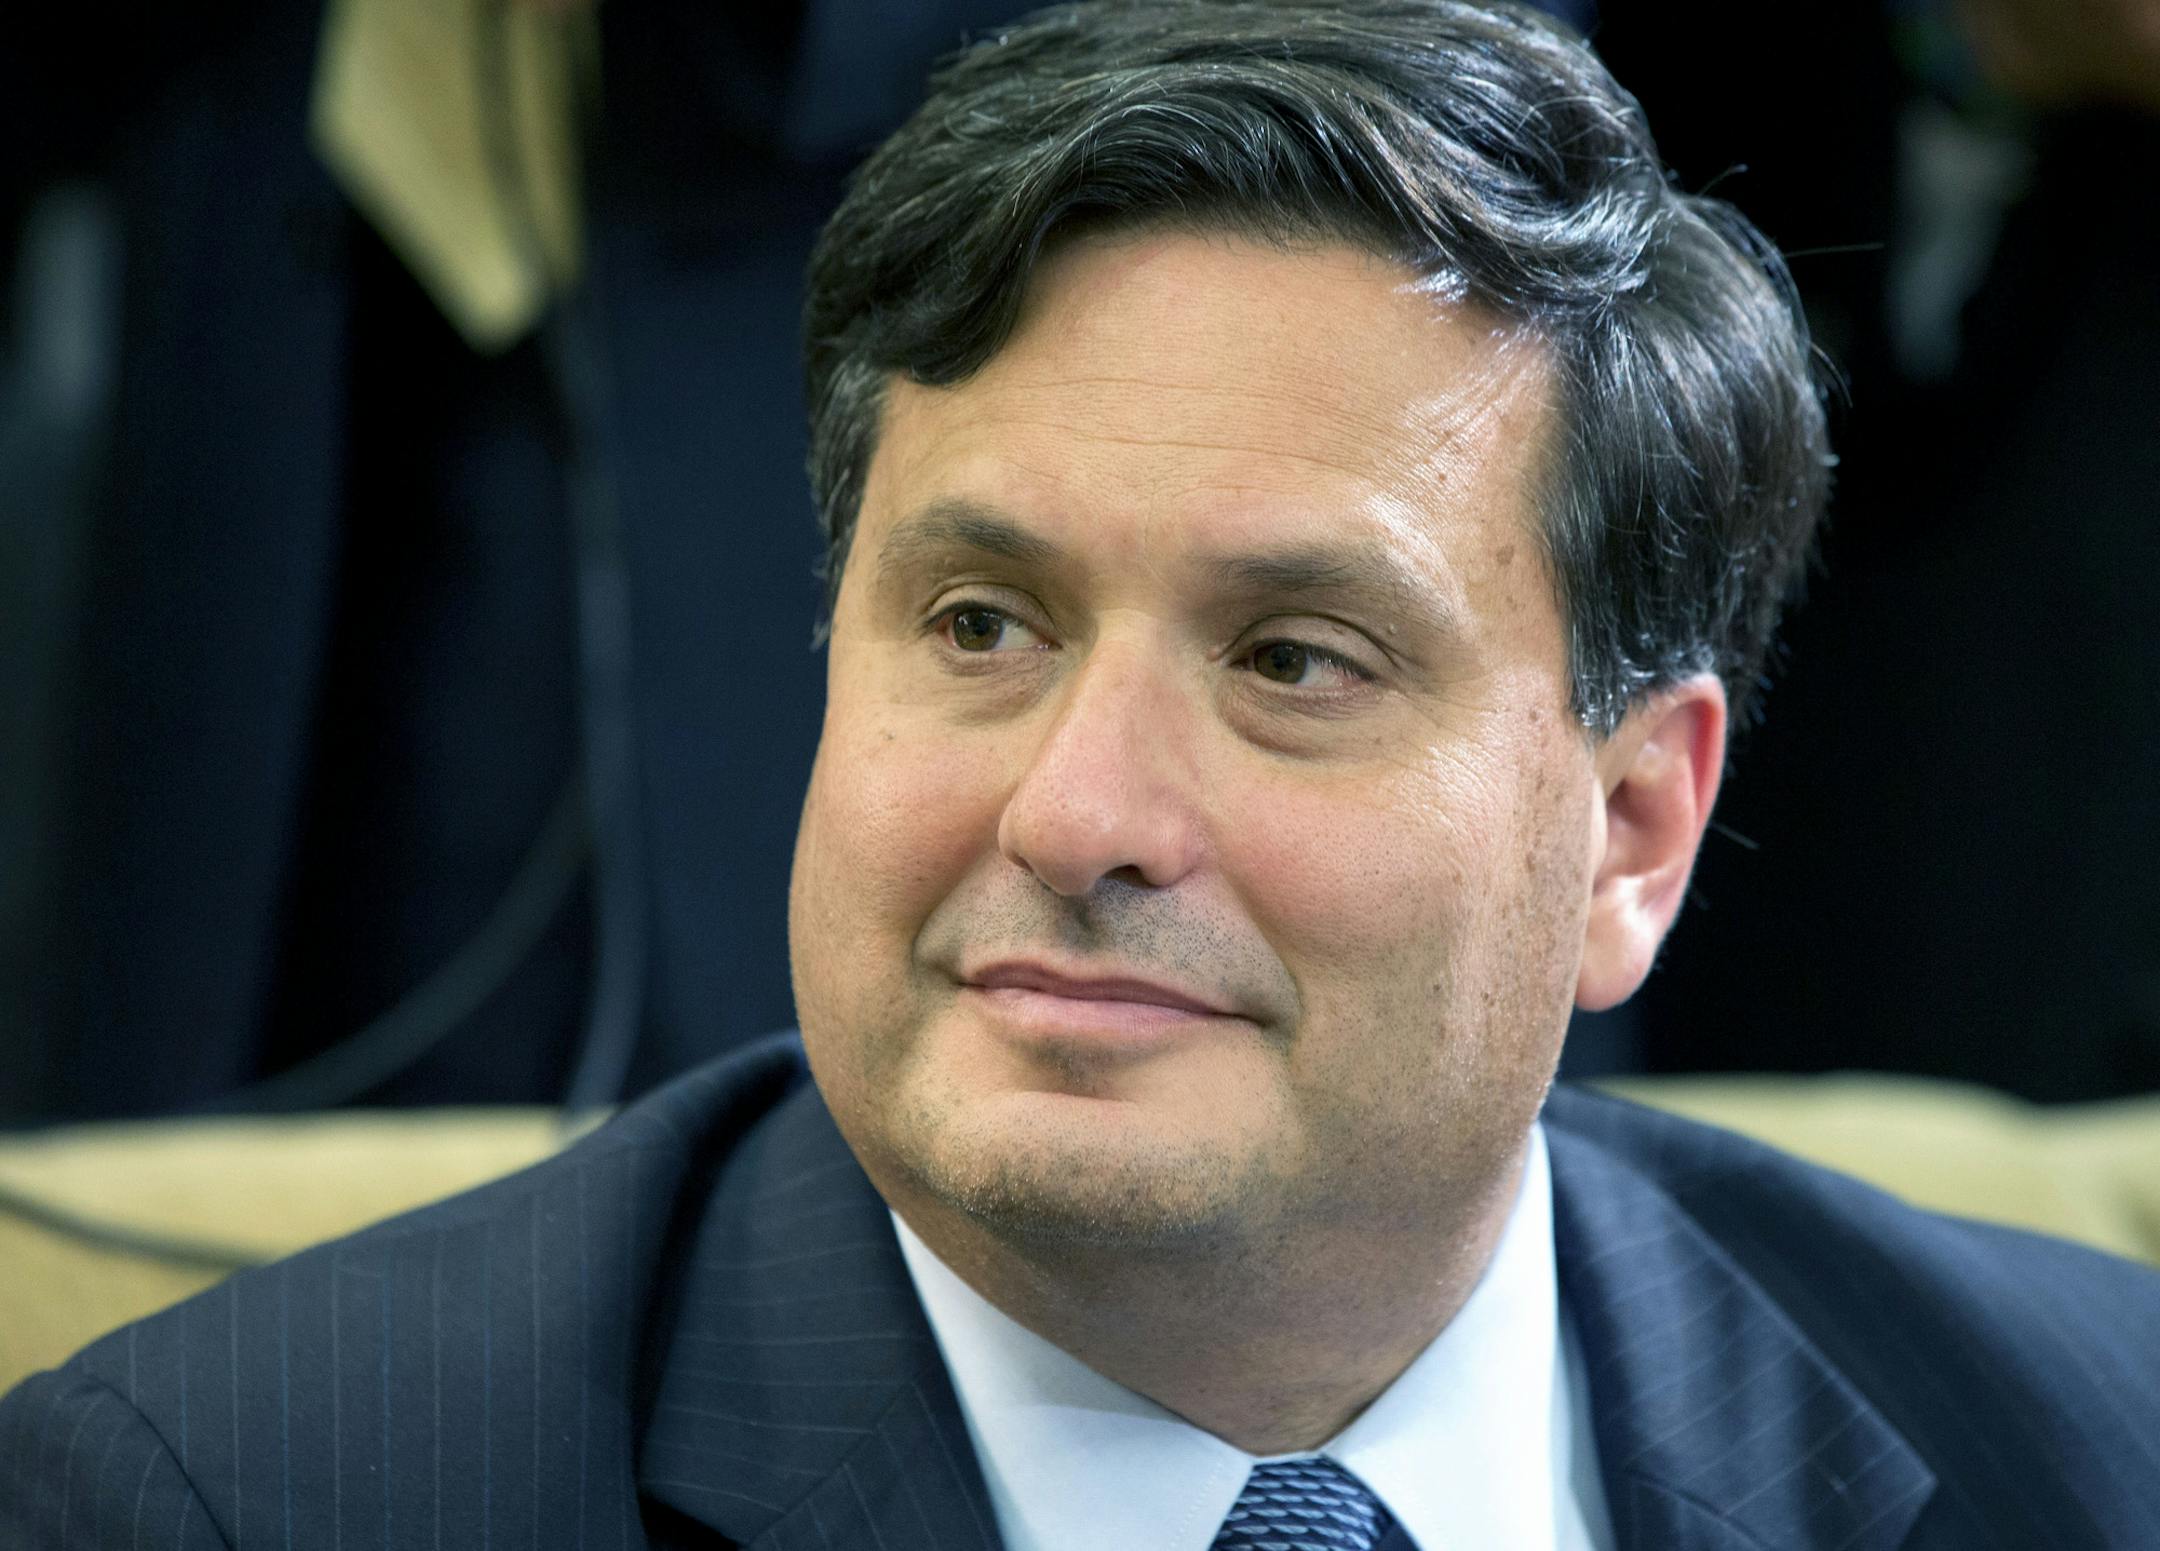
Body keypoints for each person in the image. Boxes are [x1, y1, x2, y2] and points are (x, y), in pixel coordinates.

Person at [4, 2, 2156, 1547]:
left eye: (1295, 660)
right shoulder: (222, 1497)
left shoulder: (2097, 1439)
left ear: (1630, 830)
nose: (1073, 813)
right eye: (979, 626)